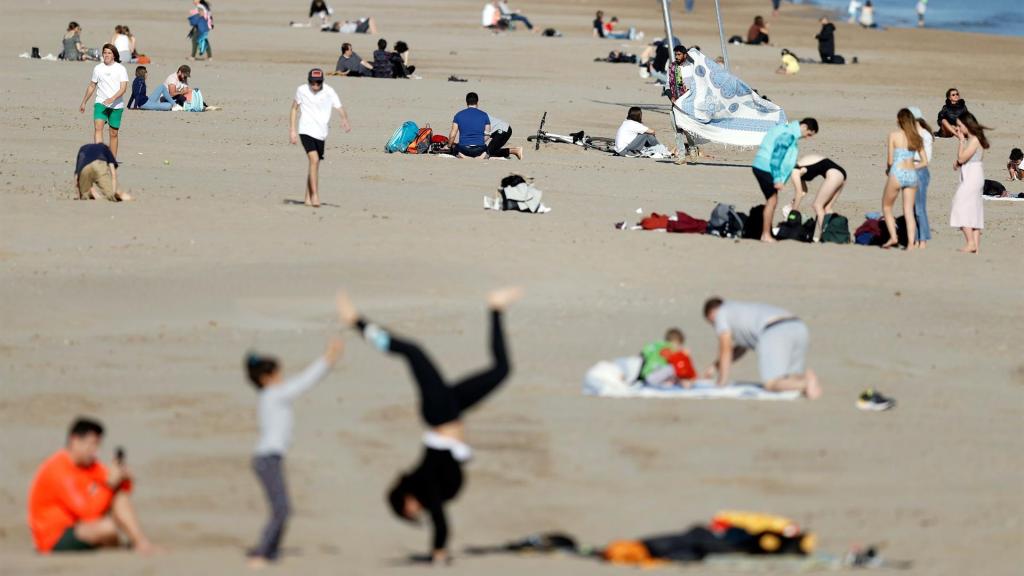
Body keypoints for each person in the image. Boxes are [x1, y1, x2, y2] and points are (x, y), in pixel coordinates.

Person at [336, 287, 522, 564]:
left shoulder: (424, 484)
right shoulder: (429, 488)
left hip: (440, 413)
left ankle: (357, 323)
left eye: (408, 511)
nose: (413, 512)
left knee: (414, 352)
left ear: (406, 501)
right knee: (502, 371)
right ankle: (495, 308)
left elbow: (440, 521)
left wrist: (438, 552)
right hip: (452, 410)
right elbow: (438, 515)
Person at [245, 337, 344, 567]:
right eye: (278, 375)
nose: (281, 379)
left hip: (269, 459)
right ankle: (261, 553)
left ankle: (270, 552)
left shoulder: (271, 395)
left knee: (283, 509)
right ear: (265, 379)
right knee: (282, 509)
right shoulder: (274, 395)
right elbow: (304, 382)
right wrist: (328, 358)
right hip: (267, 459)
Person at [28, 417, 156, 554]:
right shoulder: (58, 468)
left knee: (119, 498)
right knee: (107, 528)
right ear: (74, 441)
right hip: (54, 537)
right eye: (92, 444)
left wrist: (123, 478)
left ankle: (141, 542)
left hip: (79, 525)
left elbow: (123, 490)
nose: (95, 451)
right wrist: (110, 485)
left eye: (98, 445)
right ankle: (122, 545)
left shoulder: (90, 465)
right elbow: (88, 513)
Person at [702, 298, 822, 399]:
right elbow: (740, 349)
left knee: (771, 384)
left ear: (712, 314)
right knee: (789, 378)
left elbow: (725, 349)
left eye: (712, 323)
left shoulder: (721, 314)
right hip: (797, 326)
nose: (715, 327)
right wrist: (715, 367)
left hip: (774, 330)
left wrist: (721, 382)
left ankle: (806, 383)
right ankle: (806, 379)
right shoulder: (740, 311)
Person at [289, 68, 351, 208]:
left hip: (321, 133)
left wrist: (344, 119)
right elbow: (294, 109)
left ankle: (307, 198)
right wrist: (292, 130)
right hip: (305, 130)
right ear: (309, 81)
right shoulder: (302, 90)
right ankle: (315, 196)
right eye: (313, 83)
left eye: (318, 83)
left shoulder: (329, 91)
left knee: (314, 165)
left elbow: (339, 107)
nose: (315, 86)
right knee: (314, 160)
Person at [751, 118, 819, 242]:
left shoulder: (786, 130)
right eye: (809, 134)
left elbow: (785, 156)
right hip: (765, 167)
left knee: (772, 201)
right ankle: (765, 235)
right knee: (772, 201)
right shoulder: (788, 135)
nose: (807, 137)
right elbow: (777, 156)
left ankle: (766, 232)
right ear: (804, 126)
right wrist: (777, 179)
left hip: (761, 165)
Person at [880, 108, 927, 250]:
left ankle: (894, 237)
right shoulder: (916, 137)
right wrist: (913, 166)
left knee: (887, 207)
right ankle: (911, 244)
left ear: (899, 120)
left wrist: (889, 170)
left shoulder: (894, 135)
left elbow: (889, 160)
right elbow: (924, 161)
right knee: (908, 210)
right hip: (911, 173)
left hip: (898, 172)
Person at [950, 112, 990, 253]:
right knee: (974, 209)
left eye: (960, 126)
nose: (958, 129)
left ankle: (971, 243)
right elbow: (962, 160)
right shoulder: (974, 139)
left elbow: (961, 159)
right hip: (972, 173)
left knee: (960, 205)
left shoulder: (974, 140)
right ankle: (975, 247)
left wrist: (960, 141)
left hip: (972, 175)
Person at [79, 44, 128, 157]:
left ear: (114, 55)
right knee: (98, 127)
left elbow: (123, 88)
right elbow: (92, 85)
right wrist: (84, 102)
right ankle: (99, 155)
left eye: (109, 53)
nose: (106, 55)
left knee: (113, 133)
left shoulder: (121, 69)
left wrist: (112, 98)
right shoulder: (98, 68)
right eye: (105, 52)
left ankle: (112, 160)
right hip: (101, 103)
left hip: (116, 105)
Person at [789, 155, 846, 242]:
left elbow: (799, 192)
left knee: (817, 205)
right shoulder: (799, 168)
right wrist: (793, 201)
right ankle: (838, 234)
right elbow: (804, 191)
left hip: (833, 174)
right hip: (840, 174)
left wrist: (793, 212)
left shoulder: (794, 171)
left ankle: (825, 235)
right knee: (827, 208)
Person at [908, 107, 934, 248]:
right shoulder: (910, 134)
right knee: (911, 208)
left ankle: (922, 239)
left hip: (919, 171)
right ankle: (916, 238)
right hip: (910, 171)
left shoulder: (924, 135)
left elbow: (926, 159)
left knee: (919, 208)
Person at [449, 92, 491, 159]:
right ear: (477, 102)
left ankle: (463, 156)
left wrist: (449, 145)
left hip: (464, 148)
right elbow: (487, 135)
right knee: (486, 150)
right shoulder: (484, 115)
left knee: (455, 147)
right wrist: (478, 141)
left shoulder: (459, 115)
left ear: (466, 102)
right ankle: (481, 156)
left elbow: (452, 135)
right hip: (479, 148)